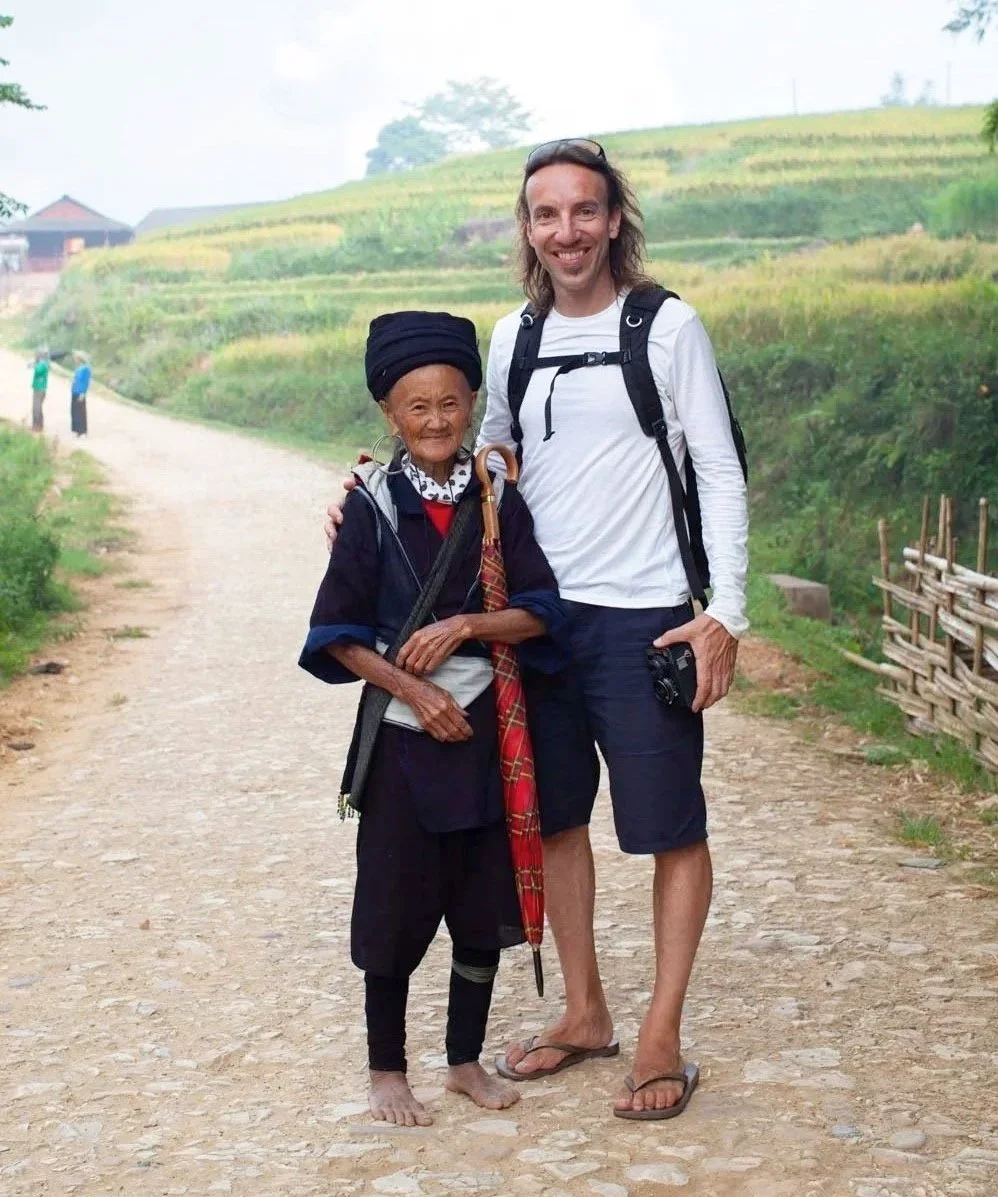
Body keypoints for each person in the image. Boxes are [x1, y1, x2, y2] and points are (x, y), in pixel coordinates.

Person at [327, 141, 748, 1120]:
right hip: (537, 621)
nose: (566, 232)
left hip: (646, 616)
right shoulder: (513, 336)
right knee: (554, 820)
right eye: (546, 214)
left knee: (668, 829)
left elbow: (718, 468)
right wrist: (372, 494)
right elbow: (485, 461)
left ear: (613, 219)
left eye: (583, 211)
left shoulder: (667, 327)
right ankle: (586, 1012)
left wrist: (725, 612)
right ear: (527, 228)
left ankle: (660, 1035)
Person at [300, 310, 569, 1128]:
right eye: (417, 407)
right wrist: (415, 692)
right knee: (392, 904)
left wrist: (465, 626)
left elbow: (541, 610)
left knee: (482, 907)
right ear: (390, 414)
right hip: (403, 746)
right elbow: (335, 634)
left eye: (450, 403)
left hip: (484, 738)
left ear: (471, 403)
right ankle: (387, 1069)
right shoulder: (371, 508)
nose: (436, 420)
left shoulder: (497, 502)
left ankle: (462, 1060)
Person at [70, 352, 91, 437]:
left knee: (80, 411)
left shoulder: (86, 369)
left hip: (80, 392)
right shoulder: (78, 368)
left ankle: (83, 430)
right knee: (75, 411)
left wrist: (83, 393)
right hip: (75, 391)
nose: (75, 360)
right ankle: (77, 430)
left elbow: (86, 382)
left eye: (76, 359)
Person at [30, 347, 49, 432]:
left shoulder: (42, 364)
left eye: (36, 354)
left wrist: (35, 364)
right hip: (40, 388)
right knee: (38, 407)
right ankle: (39, 425)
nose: (35, 355)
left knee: (36, 408)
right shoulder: (44, 363)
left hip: (39, 388)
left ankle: (37, 426)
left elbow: (37, 371)